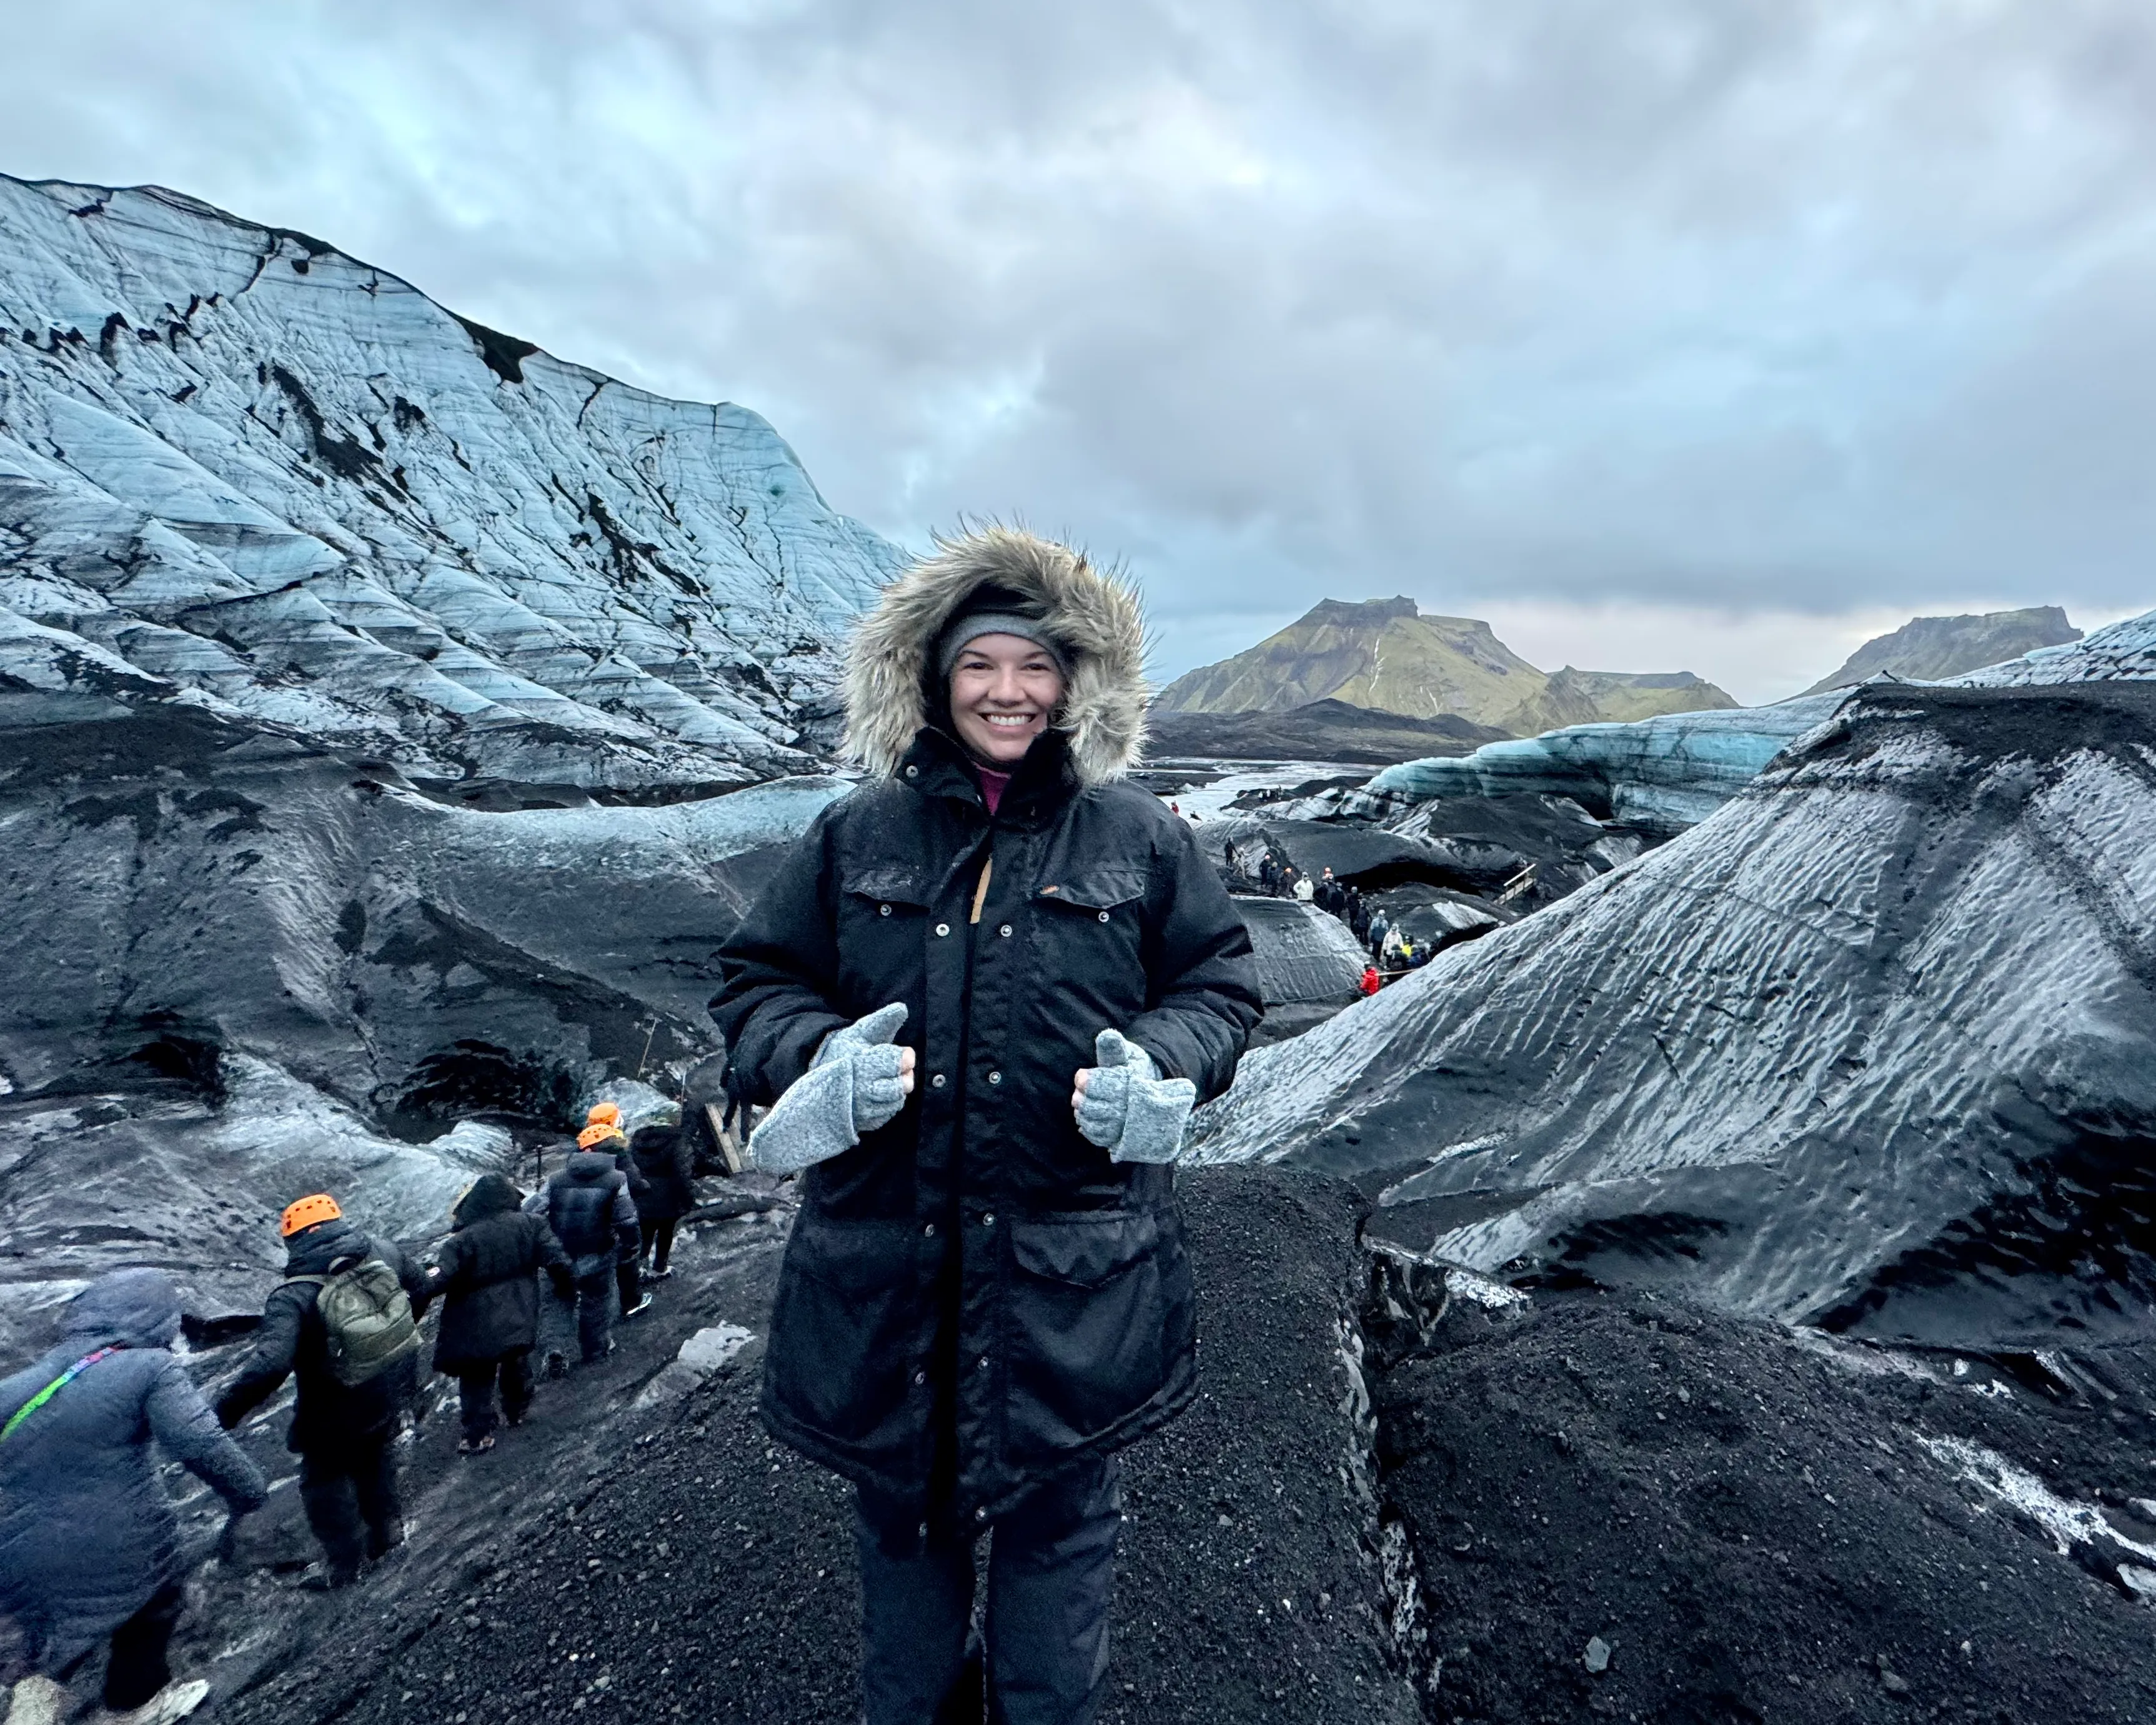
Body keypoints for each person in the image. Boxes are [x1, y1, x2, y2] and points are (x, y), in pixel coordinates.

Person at [713, 527, 1263, 1725]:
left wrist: (1160, 1073)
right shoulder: (853, 834)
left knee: (1056, 1567)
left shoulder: (1144, 838)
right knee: (901, 1580)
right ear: (931, 678)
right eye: (980, 667)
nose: (1008, 692)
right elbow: (756, 982)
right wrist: (817, 1060)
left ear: (1077, 683)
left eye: (1034, 667)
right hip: (887, 1276)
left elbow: (1219, 987)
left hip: (1072, 1281)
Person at [1, 1270, 266, 1725]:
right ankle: (133, 1708)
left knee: (49, 1630)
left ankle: (32, 1713)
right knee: (151, 1606)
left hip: (21, 1551)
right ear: (158, 1319)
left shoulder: (18, 1384)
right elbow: (198, 1443)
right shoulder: (151, 1368)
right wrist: (250, 1495)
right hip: (120, 1538)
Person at [215, 1195, 426, 1590]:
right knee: (376, 1457)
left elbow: (271, 1365)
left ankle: (345, 1567)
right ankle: (389, 1536)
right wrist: (389, 1342)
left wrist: (224, 1412)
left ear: (293, 1242)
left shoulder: (291, 1295)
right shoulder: (382, 1251)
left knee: (322, 1481)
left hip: (329, 1408)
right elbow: (423, 1287)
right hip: (385, 1386)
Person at [422, 1174, 575, 1456]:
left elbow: (438, 1279)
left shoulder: (462, 1241)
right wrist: (568, 1286)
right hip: (519, 1309)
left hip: (473, 1321)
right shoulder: (532, 1225)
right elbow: (557, 1260)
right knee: (516, 1362)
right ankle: (516, 1412)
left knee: (476, 1377)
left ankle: (477, 1437)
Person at [537, 1143, 642, 1368]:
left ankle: (555, 1349)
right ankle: (595, 1351)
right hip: (597, 1254)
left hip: (559, 1254)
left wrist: (543, 1244)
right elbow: (627, 1220)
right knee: (596, 1301)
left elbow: (532, 1210)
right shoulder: (617, 1178)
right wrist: (631, 1246)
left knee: (558, 1300)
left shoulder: (555, 1179)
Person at [579, 1105, 653, 1320]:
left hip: (588, 1216)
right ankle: (631, 1302)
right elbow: (635, 1183)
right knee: (627, 1258)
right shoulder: (618, 1151)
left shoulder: (584, 1148)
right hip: (617, 1215)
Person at [630, 1123, 699, 1282]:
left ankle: (640, 1267)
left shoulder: (638, 1140)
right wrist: (689, 1200)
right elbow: (682, 1174)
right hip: (668, 1198)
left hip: (644, 1195)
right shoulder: (676, 1141)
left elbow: (630, 1168)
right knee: (665, 1234)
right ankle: (659, 1268)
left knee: (644, 1232)